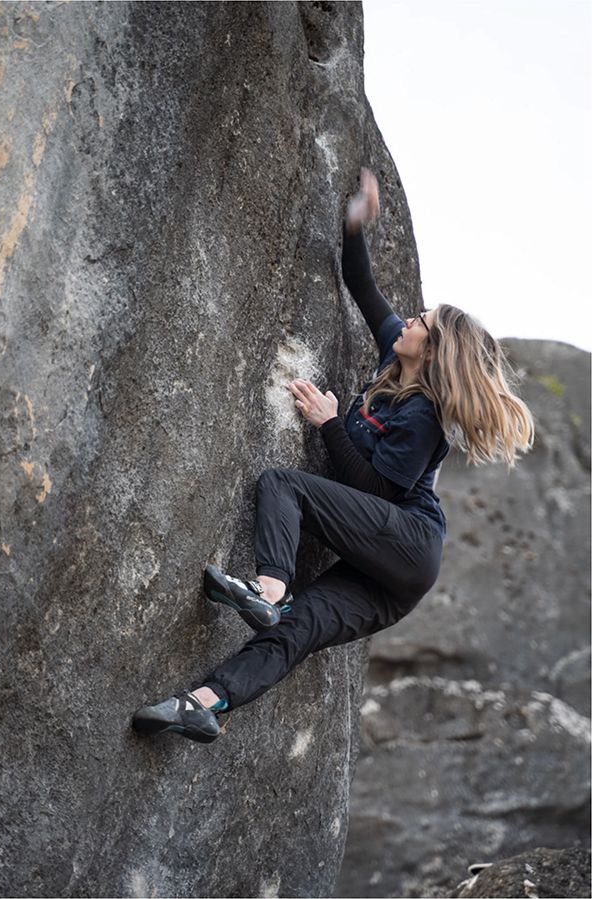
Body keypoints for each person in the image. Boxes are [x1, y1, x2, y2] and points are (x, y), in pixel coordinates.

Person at [132, 167, 535, 744]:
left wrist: (328, 423)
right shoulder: (394, 353)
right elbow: (363, 286)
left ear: (435, 349)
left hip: (410, 545)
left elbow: (375, 493)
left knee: (283, 485)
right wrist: (355, 227)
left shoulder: (424, 416)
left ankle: (266, 591)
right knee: (297, 629)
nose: (410, 319)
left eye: (421, 322)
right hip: (387, 580)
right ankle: (203, 704)